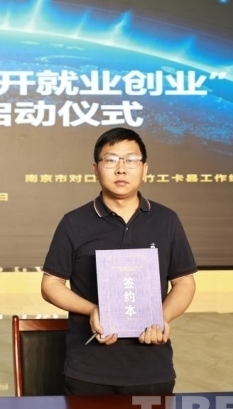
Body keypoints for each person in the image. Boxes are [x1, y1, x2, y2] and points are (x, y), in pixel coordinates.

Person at [40, 127, 197, 395]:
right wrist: (93, 310)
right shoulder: (74, 222)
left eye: (131, 160)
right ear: (95, 169)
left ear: (145, 169)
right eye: (111, 160)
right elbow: (50, 285)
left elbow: (184, 282)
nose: (121, 169)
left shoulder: (166, 220)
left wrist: (161, 318)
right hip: (88, 370)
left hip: (152, 367)